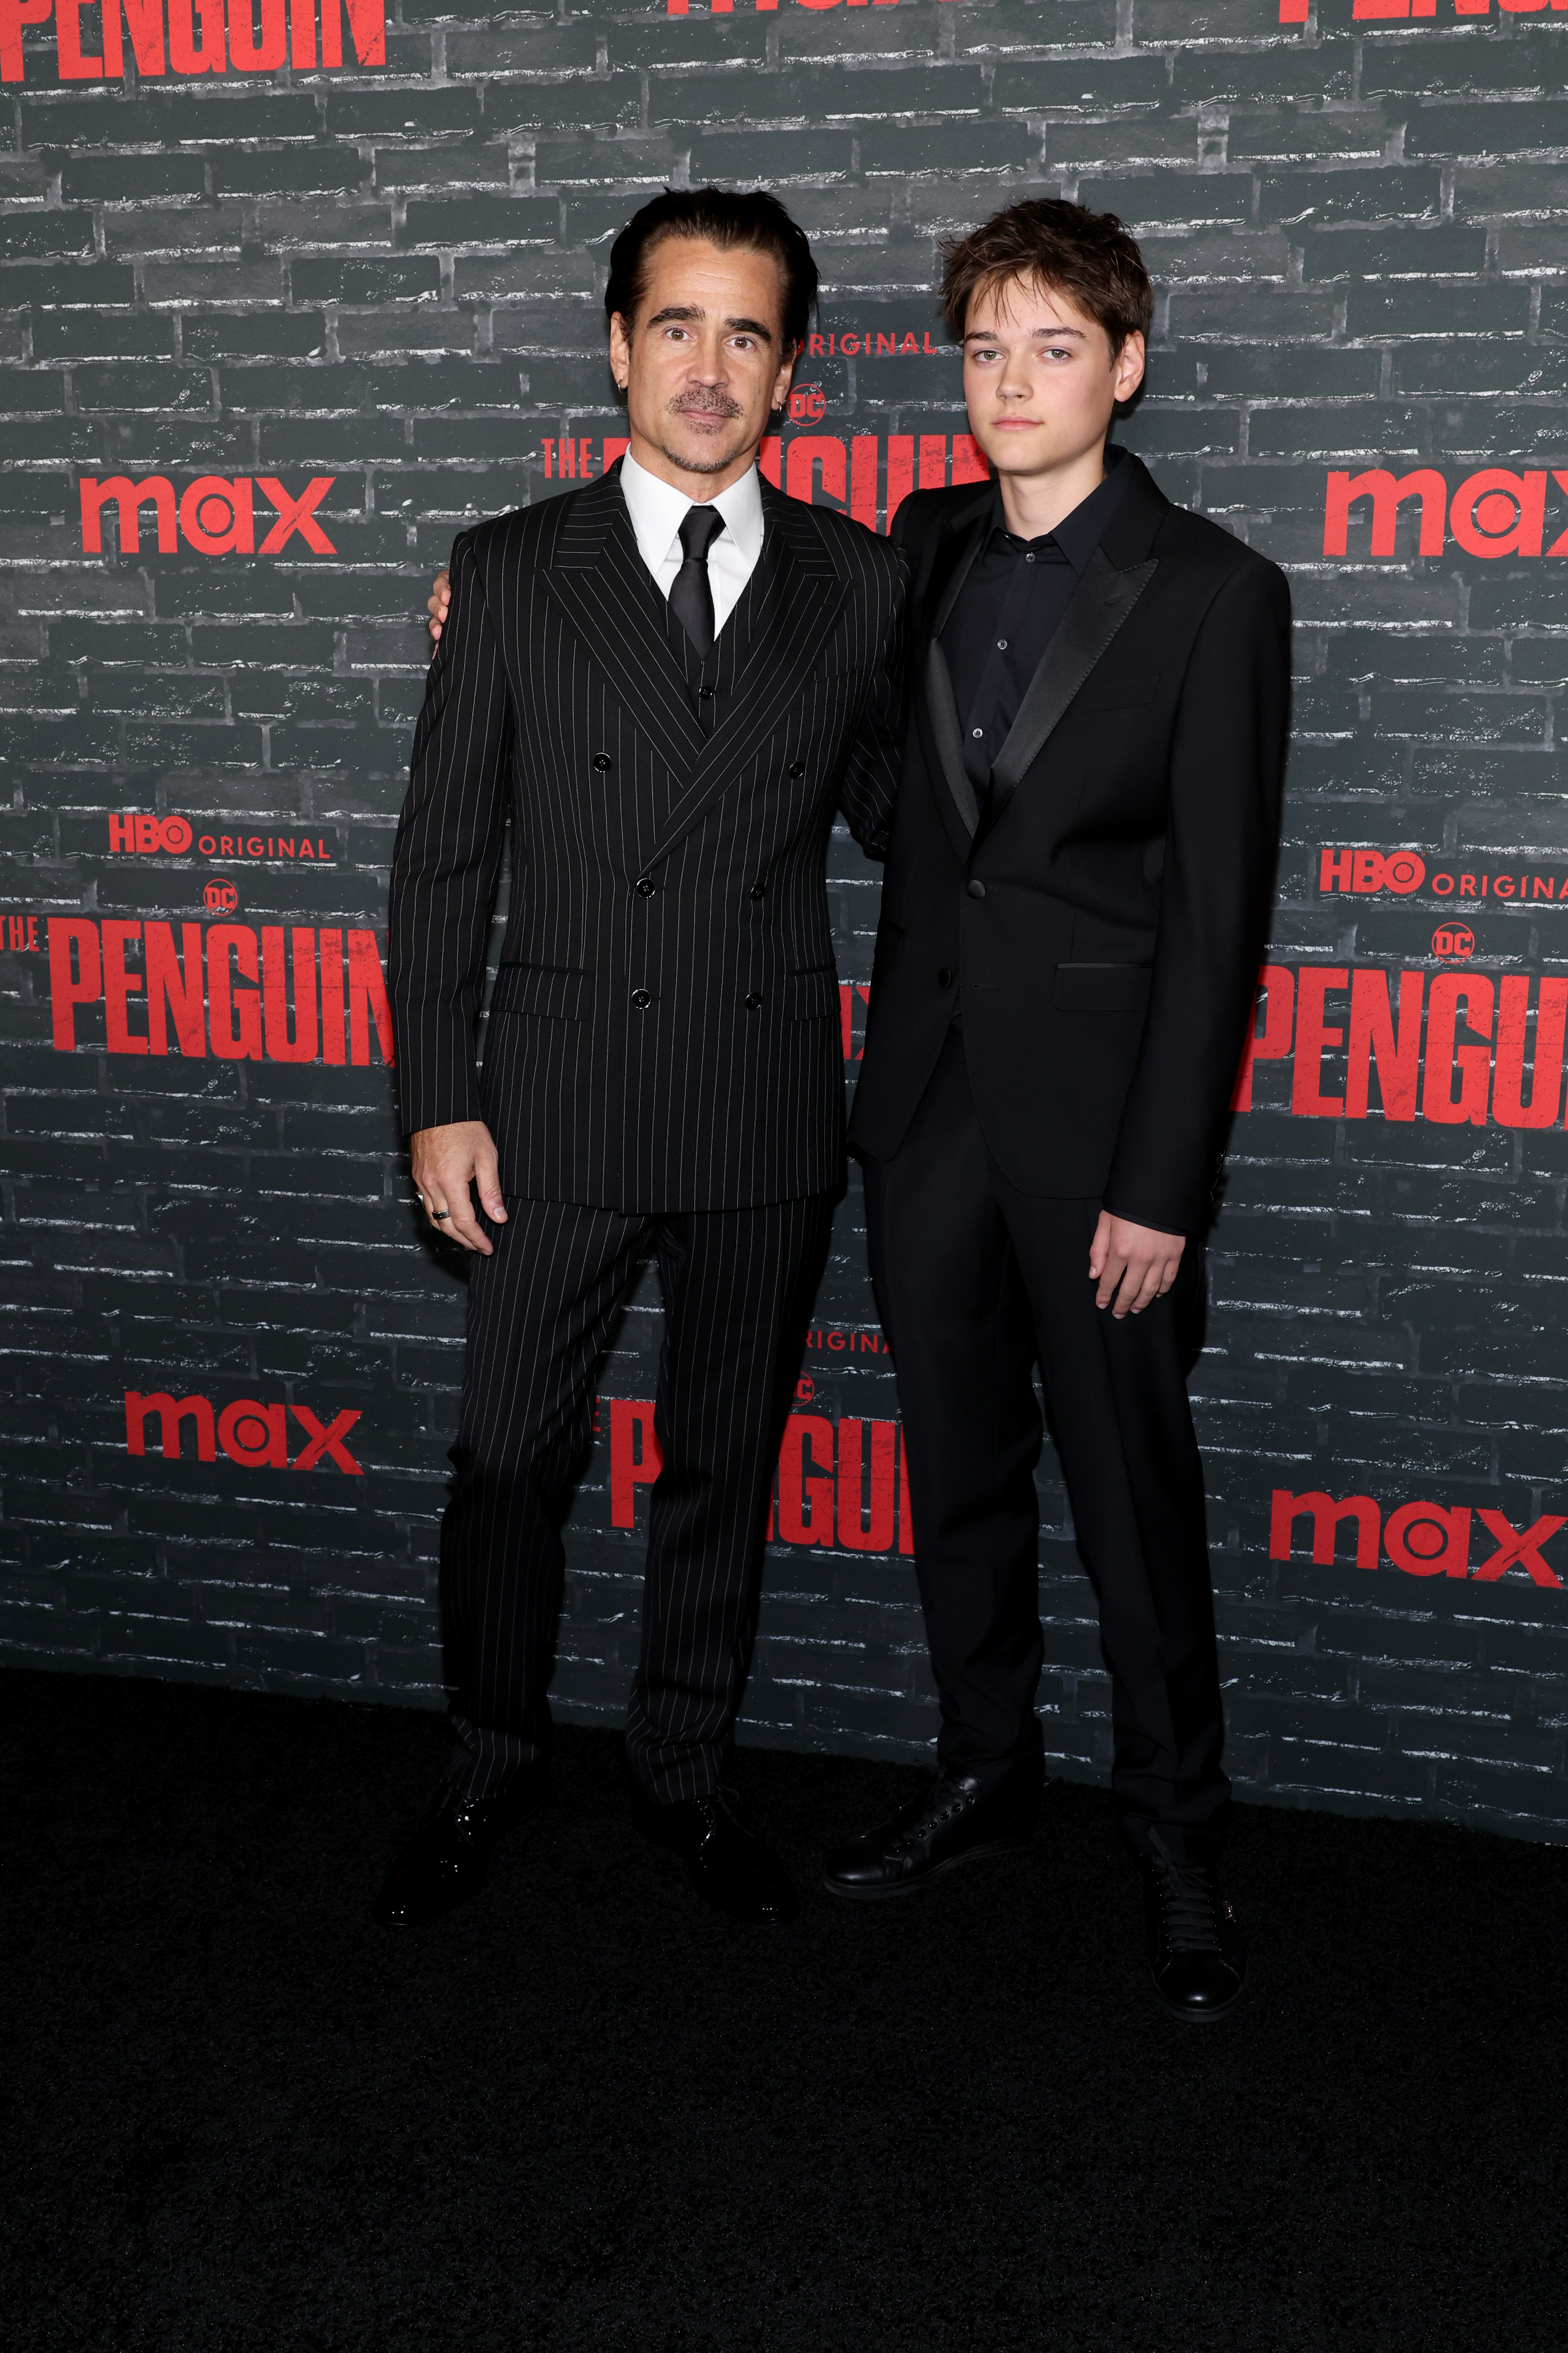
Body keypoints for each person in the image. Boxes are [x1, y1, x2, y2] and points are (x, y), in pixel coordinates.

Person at [378, 186, 907, 1931]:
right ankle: (492, 1750)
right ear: (617, 346)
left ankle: (682, 1772)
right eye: (674, 324)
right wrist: (436, 1096)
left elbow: (908, 813)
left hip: (760, 1105)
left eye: (745, 333)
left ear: (789, 372)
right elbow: (444, 856)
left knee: (720, 1464)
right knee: (508, 1461)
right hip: (549, 1103)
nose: (707, 365)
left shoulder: (859, 580)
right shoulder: (515, 569)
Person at [828, 200, 1290, 2024]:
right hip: (925, 1111)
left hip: (1106, 1151)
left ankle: (1178, 1831)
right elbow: (874, 774)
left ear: (1126, 366)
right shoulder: (924, 544)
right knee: (958, 1481)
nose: (1009, 385)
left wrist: (1161, 1186)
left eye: (1051, 348)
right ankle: (985, 1766)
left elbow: (1219, 920)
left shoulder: (1211, 592)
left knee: (1130, 1500)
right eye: (983, 349)